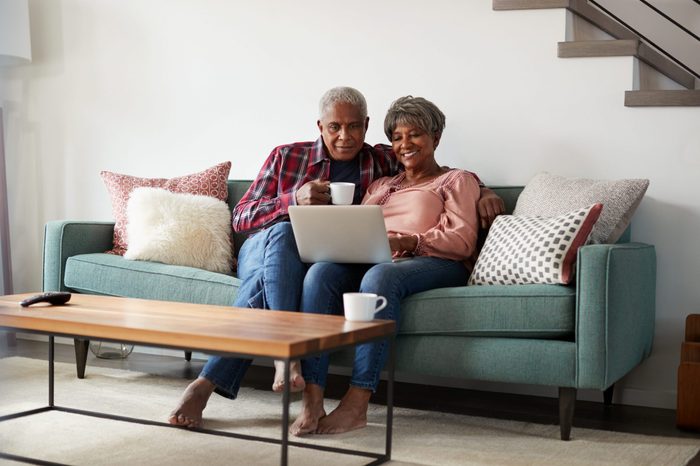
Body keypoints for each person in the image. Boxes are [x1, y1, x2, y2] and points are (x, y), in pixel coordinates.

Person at [169, 87, 504, 429]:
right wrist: (292, 201)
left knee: (321, 273)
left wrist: (483, 190)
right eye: (335, 127)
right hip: (267, 245)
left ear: (366, 126)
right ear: (320, 126)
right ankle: (296, 372)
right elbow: (240, 218)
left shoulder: (382, 162)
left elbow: (444, 177)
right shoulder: (291, 157)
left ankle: (226, 381)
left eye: (355, 127)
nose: (345, 136)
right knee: (288, 241)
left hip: (370, 259)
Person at [290, 95, 481, 436]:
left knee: (380, 275)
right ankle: (313, 394)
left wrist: (409, 242)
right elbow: (358, 227)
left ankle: (357, 402)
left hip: (435, 261)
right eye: (397, 137)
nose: (405, 144)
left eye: (416, 135)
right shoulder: (380, 185)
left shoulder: (456, 181)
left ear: (436, 138)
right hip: (378, 259)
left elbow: (463, 240)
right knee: (321, 273)